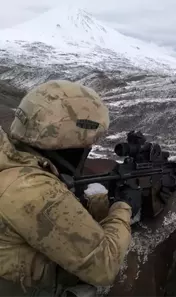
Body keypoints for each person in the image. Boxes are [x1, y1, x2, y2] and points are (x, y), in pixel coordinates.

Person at [0, 80, 146, 297]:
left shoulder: (12, 161)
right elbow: (104, 266)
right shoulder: (33, 189)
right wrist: (124, 207)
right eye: (87, 146)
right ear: (66, 140)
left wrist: (97, 205)